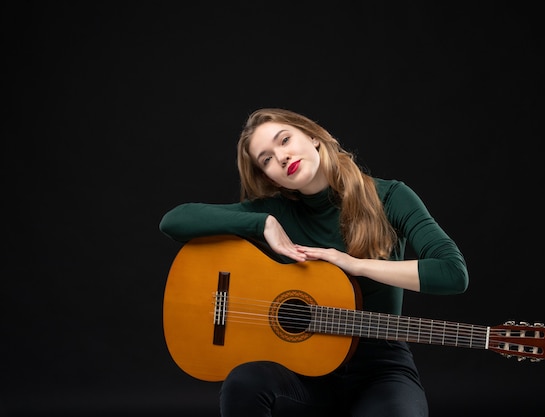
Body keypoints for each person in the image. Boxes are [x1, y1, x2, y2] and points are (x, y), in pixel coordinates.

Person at [159, 108, 469, 417]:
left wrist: (355, 265)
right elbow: (174, 221)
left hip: (380, 370)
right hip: (302, 374)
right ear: (268, 176)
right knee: (244, 382)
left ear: (313, 137)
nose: (281, 157)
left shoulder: (389, 197)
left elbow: (453, 273)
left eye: (285, 140)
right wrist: (262, 223)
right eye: (266, 159)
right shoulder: (276, 211)